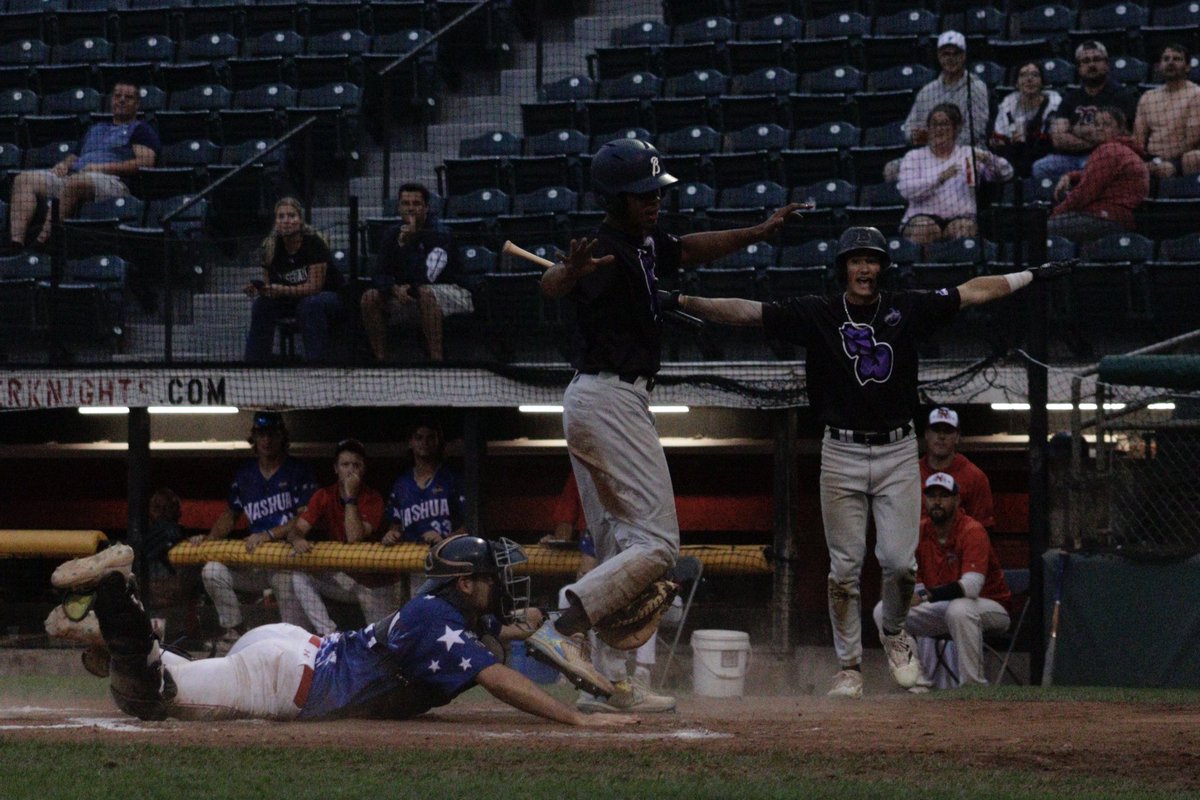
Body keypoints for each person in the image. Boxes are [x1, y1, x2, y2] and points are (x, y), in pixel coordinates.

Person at [661, 225, 1069, 698]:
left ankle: (895, 633)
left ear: (882, 268)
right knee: (844, 569)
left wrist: (1030, 275)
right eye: (856, 261)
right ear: (843, 269)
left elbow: (971, 292)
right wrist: (683, 301)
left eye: (872, 260)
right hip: (840, 450)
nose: (865, 269)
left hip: (898, 450)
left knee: (898, 564)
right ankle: (849, 666)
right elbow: (751, 313)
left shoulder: (906, 308)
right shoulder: (818, 312)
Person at [526, 137, 806, 706]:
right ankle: (561, 625)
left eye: (656, 189)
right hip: (608, 399)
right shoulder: (603, 250)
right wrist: (567, 272)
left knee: (620, 547)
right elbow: (554, 283)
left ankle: (609, 684)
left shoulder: (643, 243)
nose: (653, 199)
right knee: (657, 544)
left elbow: (690, 248)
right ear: (615, 198)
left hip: (599, 401)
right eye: (641, 193)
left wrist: (755, 232)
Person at [82, 533, 637, 727]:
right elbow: (497, 678)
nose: (502, 584)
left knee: (171, 673)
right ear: (464, 584)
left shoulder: (448, 610)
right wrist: (574, 719)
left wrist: (568, 616)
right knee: (153, 701)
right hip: (287, 679)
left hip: (295, 653)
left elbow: (519, 624)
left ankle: (108, 640)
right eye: (493, 577)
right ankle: (116, 600)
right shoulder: (437, 622)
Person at [541, 470, 668, 712]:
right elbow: (588, 564)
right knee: (606, 595)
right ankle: (599, 679)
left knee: (650, 596)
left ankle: (630, 675)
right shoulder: (611, 489)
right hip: (608, 581)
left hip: (633, 578)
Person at [188, 411, 313, 652]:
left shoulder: (298, 470)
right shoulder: (245, 475)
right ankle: (236, 629)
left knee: (289, 590)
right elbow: (231, 513)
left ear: (282, 437)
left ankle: (296, 645)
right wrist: (211, 539)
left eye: (272, 434)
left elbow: (305, 516)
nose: (266, 440)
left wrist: (269, 534)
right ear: (254, 438)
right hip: (253, 560)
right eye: (261, 434)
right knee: (212, 570)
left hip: (285, 560)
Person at [873, 473, 1011, 688]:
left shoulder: (972, 530)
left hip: (990, 606)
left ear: (956, 500)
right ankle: (914, 680)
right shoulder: (919, 531)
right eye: (932, 496)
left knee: (959, 609)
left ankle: (972, 685)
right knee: (884, 611)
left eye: (944, 496)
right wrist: (909, 596)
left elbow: (972, 587)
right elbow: (914, 582)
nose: (937, 501)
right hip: (943, 607)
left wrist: (926, 596)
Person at [4, 80, 160, 253]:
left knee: (76, 182)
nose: (121, 100)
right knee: (24, 179)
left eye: (128, 97)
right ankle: (16, 243)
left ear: (137, 104)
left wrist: (102, 168)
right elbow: (76, 156)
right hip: (76, 177)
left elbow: (145, 162)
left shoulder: (141, 129)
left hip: (113, 183)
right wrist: (63, 165)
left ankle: (43, 241)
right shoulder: (96, 128)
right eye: (117, 96)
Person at [287, 438, 401, 636]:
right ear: (335, 468)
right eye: (345, 464)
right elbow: (297, 529)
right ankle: (331, 637)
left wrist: (350, 497)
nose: (350, 470)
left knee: (383, 642)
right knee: (300, 576)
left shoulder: (373, 498)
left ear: (364, 469)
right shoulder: (323, 495)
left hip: (377, 582)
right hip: (347, 579)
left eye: (356, 465)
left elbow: (354, 537)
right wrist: (297, 539)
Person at [359, 183, 472, 362]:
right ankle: (381, 360)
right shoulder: (391, 234)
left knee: (426, 292)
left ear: (426, 207)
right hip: (406, 294)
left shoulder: (440, 234)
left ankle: (437, 360)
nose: (410, 208)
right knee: (370, 297)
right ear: (399, 207)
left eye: (416, 203)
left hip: (448, 292)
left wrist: (409, 244)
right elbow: (378, 273)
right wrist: (394, 289)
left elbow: (429, 276)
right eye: (405, 203)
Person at [243, 197, 343, 363]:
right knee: (262, 304)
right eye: (281, 217)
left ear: (300, 220)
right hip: (291, 300)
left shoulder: (314, 244)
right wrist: (261, 289)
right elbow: (270, 288)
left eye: (291, 216)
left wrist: (281, 290)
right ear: (276, 222)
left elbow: (314, 287)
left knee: (310, 304)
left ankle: (317, 363)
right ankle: (255, 363)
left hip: (327, 298)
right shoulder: (270, 248)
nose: (286, 221)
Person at [898, 103, 1014, 244]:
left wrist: (988, 159)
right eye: (934, 124)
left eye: (945, 124)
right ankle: (922, 265)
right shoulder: (914, 156)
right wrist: (939, 179)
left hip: (961, 217)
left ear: (956, 128)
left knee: (964, 230)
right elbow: (906, 190)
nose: (939, 129)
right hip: (921, 217)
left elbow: (1007, 173)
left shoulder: (968, 153)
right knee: (926, 229)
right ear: (928, 128)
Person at [1031, 41, 1141, 183]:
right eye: (1086, 61)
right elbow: (1058, 138)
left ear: (1107, 65)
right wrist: (1096, 139)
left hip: (1104, 157)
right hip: (1070, 157)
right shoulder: (1071, 98)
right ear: (1079, 68)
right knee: (1040, 167)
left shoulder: (1122, 95)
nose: (1091, 65)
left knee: (1090, 167)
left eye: (1096, 59)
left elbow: (1116, 137)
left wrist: (1074, 129)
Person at [1048, 107, 1150, 243]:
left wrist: (1054, 214)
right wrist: (1072, 176)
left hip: (1106, 218)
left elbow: (1083, 194)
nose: (1100, 128)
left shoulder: (1109, 150)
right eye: (1096, 124)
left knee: (1041, 229)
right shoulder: (1121, 149)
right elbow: (1101, 174)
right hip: (1116, 219)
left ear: (1121, 129)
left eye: (1106, 124)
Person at [381, 419, 468, 547]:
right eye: (419, 438)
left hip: (446, 557)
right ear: (410, 442)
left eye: (431, 437)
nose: (425, 442)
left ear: (439, 441)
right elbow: (395, 526)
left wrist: (444, 540)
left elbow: (469, 527)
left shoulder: (452, 479)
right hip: (410, 558)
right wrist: (391, 535)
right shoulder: (401, 485)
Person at [902, 31, 990, 148]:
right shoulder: (927, 91)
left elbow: (976, 131)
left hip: (965, 152)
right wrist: (915, 136)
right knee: (891, 166)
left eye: (956, 54)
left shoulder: (976, 87)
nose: (951, 58)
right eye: (946, 54)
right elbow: (909, 127)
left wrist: (943, 149)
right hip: (931, 155)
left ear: (964, 56)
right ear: (939, 56)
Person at [919, 407, 996, 531]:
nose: (941, 436)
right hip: (918, 547)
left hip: (958, 547)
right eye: (936, 430)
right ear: (926, 434)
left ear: (957, 437)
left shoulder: (975, 477)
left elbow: (982, 530)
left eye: (948, 431)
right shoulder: (911, 474)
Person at [1132, 44, 1200, 179]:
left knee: (1188, 159)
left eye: (1177, 59)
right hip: (1150, 158)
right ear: (1159, 66)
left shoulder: (1196, 94)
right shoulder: (1148, 96)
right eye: (1166, 59)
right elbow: (1138, 139)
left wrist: (1160, 162)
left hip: (1180, 158)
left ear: (1187, 67)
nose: (1171, 62)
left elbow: (1191, 141)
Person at [990, 61, 1062, 178]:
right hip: (1016, 153)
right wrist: (1007, 140)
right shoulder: (1008, 104)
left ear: (1042, 81)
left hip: (1044, 153)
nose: (1029, 79)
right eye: (1023, 75)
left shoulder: (1055, 104)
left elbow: (1057, 140)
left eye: (1035, 75)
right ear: (1016, 83)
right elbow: (998, 140)